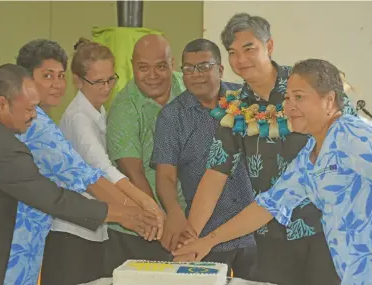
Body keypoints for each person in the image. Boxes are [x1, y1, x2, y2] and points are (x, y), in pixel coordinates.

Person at [177, 13, 356, 285]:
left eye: (249, 48)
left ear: (269, 46)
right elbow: (215, 174)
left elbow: (351, 133)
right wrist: (192, 238)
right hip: (270, 233)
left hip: (328, 230)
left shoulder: (308, 86)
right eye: (233, 53)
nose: (241, 60)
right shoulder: (235, 109)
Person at [12, 39, 164, 285]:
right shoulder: (49, 122)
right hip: (45, 233)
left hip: (53, 231)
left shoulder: (46, 117)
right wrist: (141, 210)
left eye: (59, 76)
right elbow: (91, 174)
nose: (56, 84)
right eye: (47, 76)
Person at [0, 64, 126, 285]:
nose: (34, 116)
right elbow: (53, 198)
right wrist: (120, 214)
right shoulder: (5, 148)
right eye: (29, 109)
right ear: (1, 105)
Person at [151, 38, 256, 279]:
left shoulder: (246, 102)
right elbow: (165, 177)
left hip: (255, 231)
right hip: (203, 236)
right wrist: (174, 214)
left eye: (204, 67)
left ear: (220, 69)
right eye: (188, 69)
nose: (196, 75)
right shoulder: (171, 117)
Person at [104, 34, 186, 272]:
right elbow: (134, 174)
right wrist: (164, 224)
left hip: (186, 225)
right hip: (141, 230)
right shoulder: (124, 108)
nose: (152, 76)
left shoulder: (188, 90)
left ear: (172, 64)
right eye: (143, 68)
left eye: (161, 66)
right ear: (132, 67)